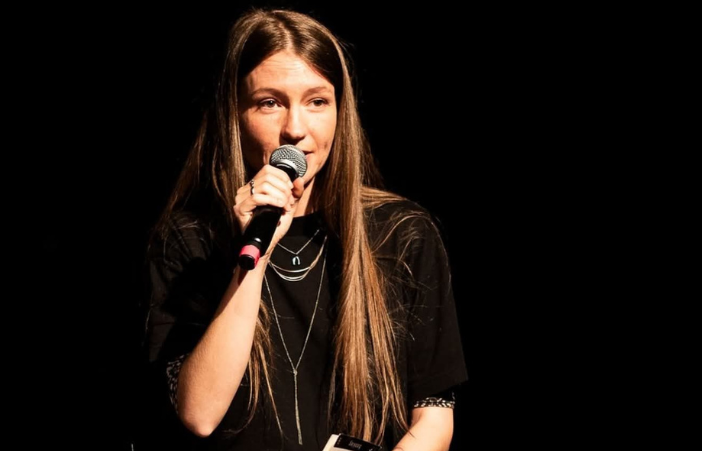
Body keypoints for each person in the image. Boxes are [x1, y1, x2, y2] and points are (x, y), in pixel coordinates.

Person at [138, 7, 468, 451]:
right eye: (269, 103)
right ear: (235, 114)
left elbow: (433, 417)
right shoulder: (190, 239)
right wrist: (254, 259)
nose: (295, 129)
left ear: (340, 111)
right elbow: (199, 414)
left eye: (317, 102)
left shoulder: (401, 232)